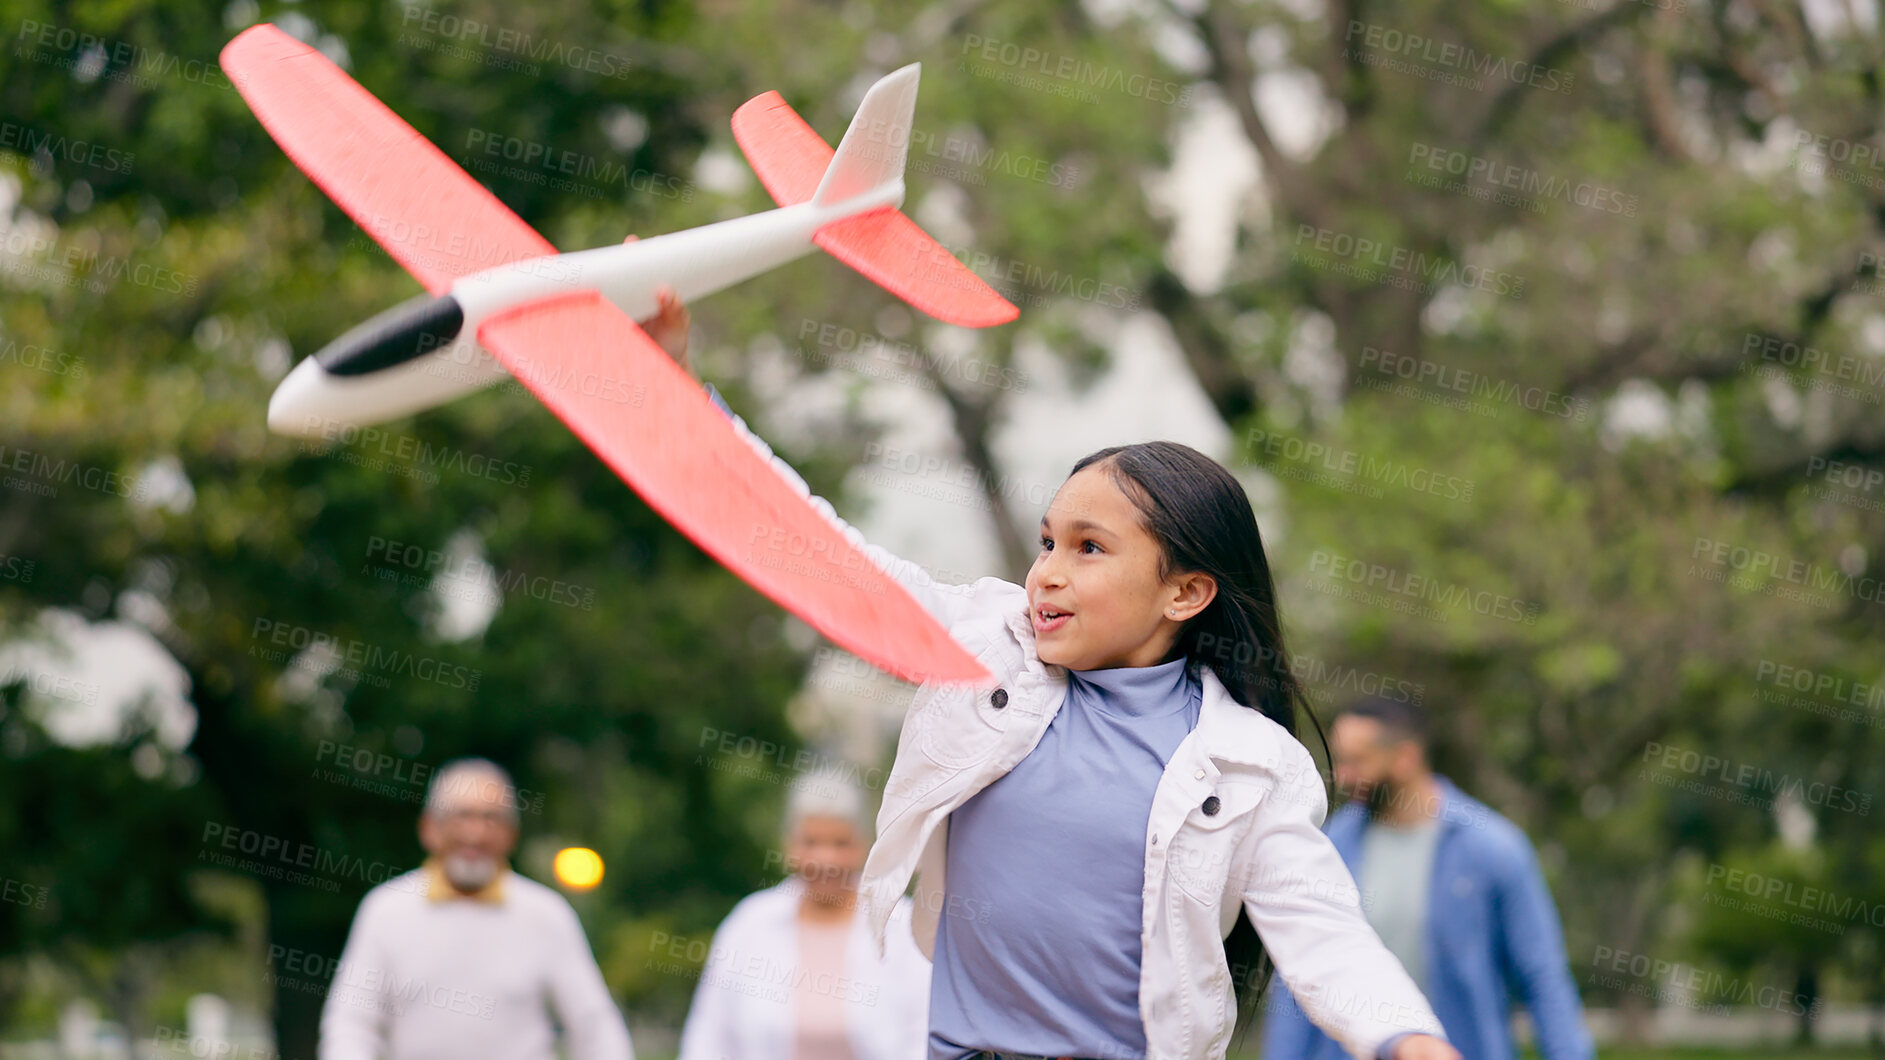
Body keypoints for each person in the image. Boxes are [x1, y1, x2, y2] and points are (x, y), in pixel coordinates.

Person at [648, 294, 1460, 1060]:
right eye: (1046, 543)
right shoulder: (982, 650)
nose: (1047, 573)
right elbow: (818, 556)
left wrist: (1406, 1038)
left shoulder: (1253, 764)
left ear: (1184, 591)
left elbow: (1324, 933)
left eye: (1089, 548)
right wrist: (676, 397)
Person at [1261, 698, 1593, 1060]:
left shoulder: (1493, 848)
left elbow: (1542, 979)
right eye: (1341, 761)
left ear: (1406, 757)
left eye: (1357, 761)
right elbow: (1299, 984)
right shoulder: (1330, 846)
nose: (1342, 776)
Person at [318, 758, 635, 1060]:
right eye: (462, 816)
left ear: (512, 834)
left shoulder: (546, 914)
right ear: (429, 828)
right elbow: (351, 1026)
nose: (475, 833)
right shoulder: (385, 910)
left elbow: (595, 1027)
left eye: (491, 818)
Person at [678, 780, 931, 1060]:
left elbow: (922, 1034)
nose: (825, 859)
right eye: (811, 842)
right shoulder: (749, 924)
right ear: (789, 846)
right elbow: (708, 1036)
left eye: (840, 843)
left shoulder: (902, 924)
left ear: (864, 845)